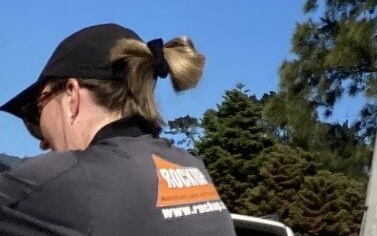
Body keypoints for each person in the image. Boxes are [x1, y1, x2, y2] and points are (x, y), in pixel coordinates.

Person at [0, 25, 235, 233]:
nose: (43, 142)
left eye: (36, 112)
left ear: (72, 95)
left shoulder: (71, 180)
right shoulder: (192, 166)